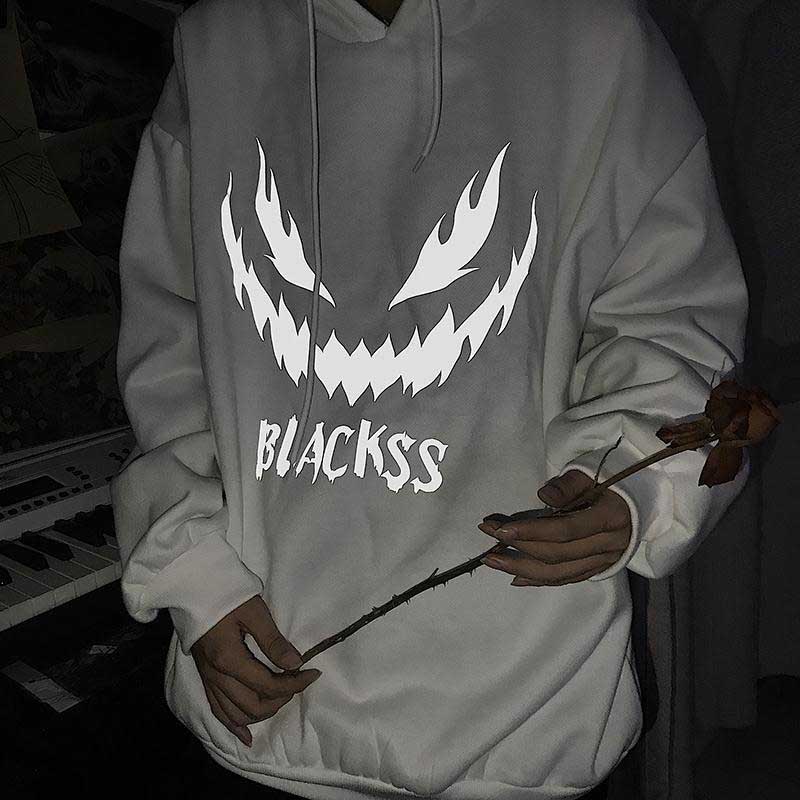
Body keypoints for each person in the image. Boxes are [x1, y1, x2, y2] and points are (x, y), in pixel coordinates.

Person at [110, 1, 750, 798]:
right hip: (264, 701)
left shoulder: (599, 38)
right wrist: (192, 570)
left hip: (530, 706)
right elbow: (169, 343)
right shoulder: (219, 42)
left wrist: (636, 487)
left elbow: (672, 315)